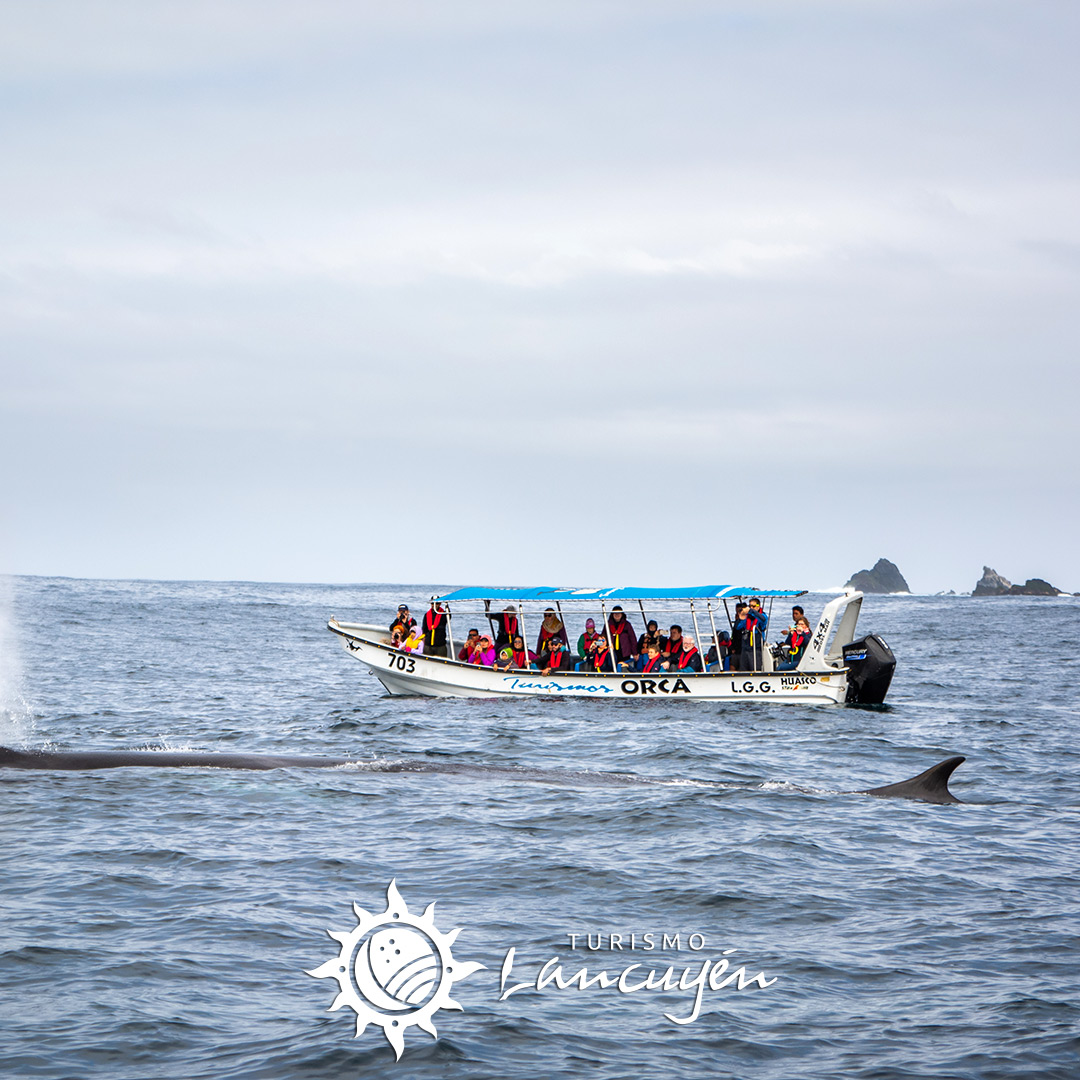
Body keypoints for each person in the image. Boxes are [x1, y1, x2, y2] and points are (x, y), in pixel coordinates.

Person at [740, 598, 769, 671]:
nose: (751, 608)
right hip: (746, 646)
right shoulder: (747, 617)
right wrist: (741, 615)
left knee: (756, 667)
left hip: (756, 647)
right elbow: (738, 627)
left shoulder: (762, 616)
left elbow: (763, 620)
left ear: (758, 606)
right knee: (744, 669)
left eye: (753, 606)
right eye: (750, 606)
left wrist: (751, 611)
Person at [729, 604, 747, 670]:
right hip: (736, 648)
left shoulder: (746, 621)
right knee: (733, 664)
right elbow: (734, 635)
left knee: (742, 666)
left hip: (743, 648)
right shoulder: (737, 621)